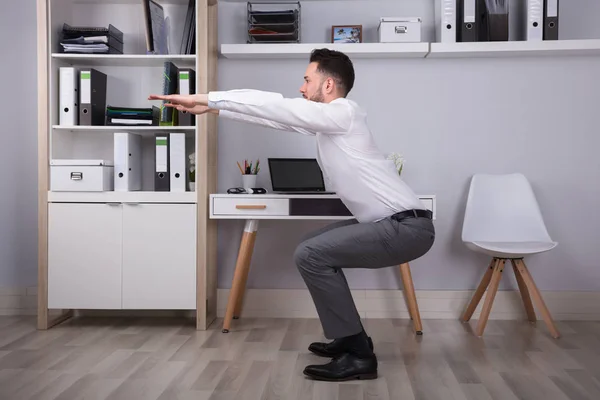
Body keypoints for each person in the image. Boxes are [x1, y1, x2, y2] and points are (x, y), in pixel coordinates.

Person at [148, 48, 435, 382]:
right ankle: (347, 337)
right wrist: (213, 107)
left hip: (407, 228)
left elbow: (278, 105)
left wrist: (207, 96)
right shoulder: (329, 124)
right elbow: (274, 116)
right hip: (393, 225)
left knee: (310, 254)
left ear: (328, 86)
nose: (301, 87)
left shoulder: (345, 111)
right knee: (311, 246)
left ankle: (359, 354)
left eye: (307, 79)